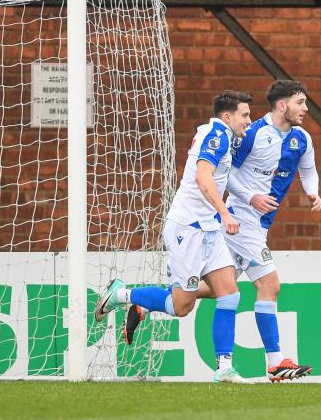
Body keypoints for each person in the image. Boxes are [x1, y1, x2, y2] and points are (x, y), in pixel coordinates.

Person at [93, 90, 253, 384]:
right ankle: (122, 295)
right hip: (188, 229)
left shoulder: (223, 137)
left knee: (230, 293)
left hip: (208, 229)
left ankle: (224, 367)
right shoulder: (216, 136)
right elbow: (202, 177)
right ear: (227, 116)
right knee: (181, 307)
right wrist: (226, 213)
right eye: (244, 115)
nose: (248, 120)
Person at [211, 78, 321, 382]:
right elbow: (227, 171)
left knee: (208, 291)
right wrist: (251, 197)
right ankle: (274, 361)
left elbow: (308, 170)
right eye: (300, 102)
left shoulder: (302, 139)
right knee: (270, 285)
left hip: (256, 225)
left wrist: (314, 192)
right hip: (241, 219)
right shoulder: (254, 133)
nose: (305, 108)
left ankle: (138, 299)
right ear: (282, 105)